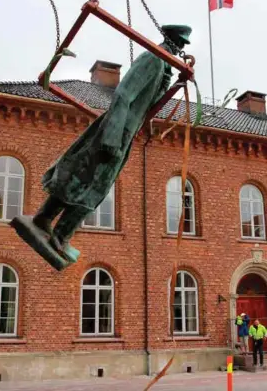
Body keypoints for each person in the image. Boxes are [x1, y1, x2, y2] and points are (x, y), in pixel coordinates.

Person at [11, 25, 192, 267]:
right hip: (116, 131)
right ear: (170, 40)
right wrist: (112, 137)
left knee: (84, 177)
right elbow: (123, 95)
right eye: (178, 44)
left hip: (124, 134)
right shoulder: (152, 59)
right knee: (93, 183)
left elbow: (148, 105)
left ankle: (47, 221)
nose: (179, 49)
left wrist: (177, 84)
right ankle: (59, 234)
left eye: (182, 46)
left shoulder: (161, 66)